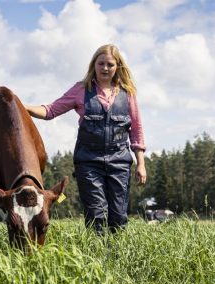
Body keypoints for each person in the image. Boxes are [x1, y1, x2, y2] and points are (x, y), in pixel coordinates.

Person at [25, 44, 147, 234]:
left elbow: (136, 129)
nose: (105, 68)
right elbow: (50, 111)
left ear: (118, 67)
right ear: (94, 65)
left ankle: (116, 256)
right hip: (89, 162)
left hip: (120, 162)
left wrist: (141, 163)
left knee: (118, 216)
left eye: (110, 64)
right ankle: (97, 256)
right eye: (101, 63)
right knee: (96, 213)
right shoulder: (81, 89)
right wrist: (22, 106)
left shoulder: (127, 93)